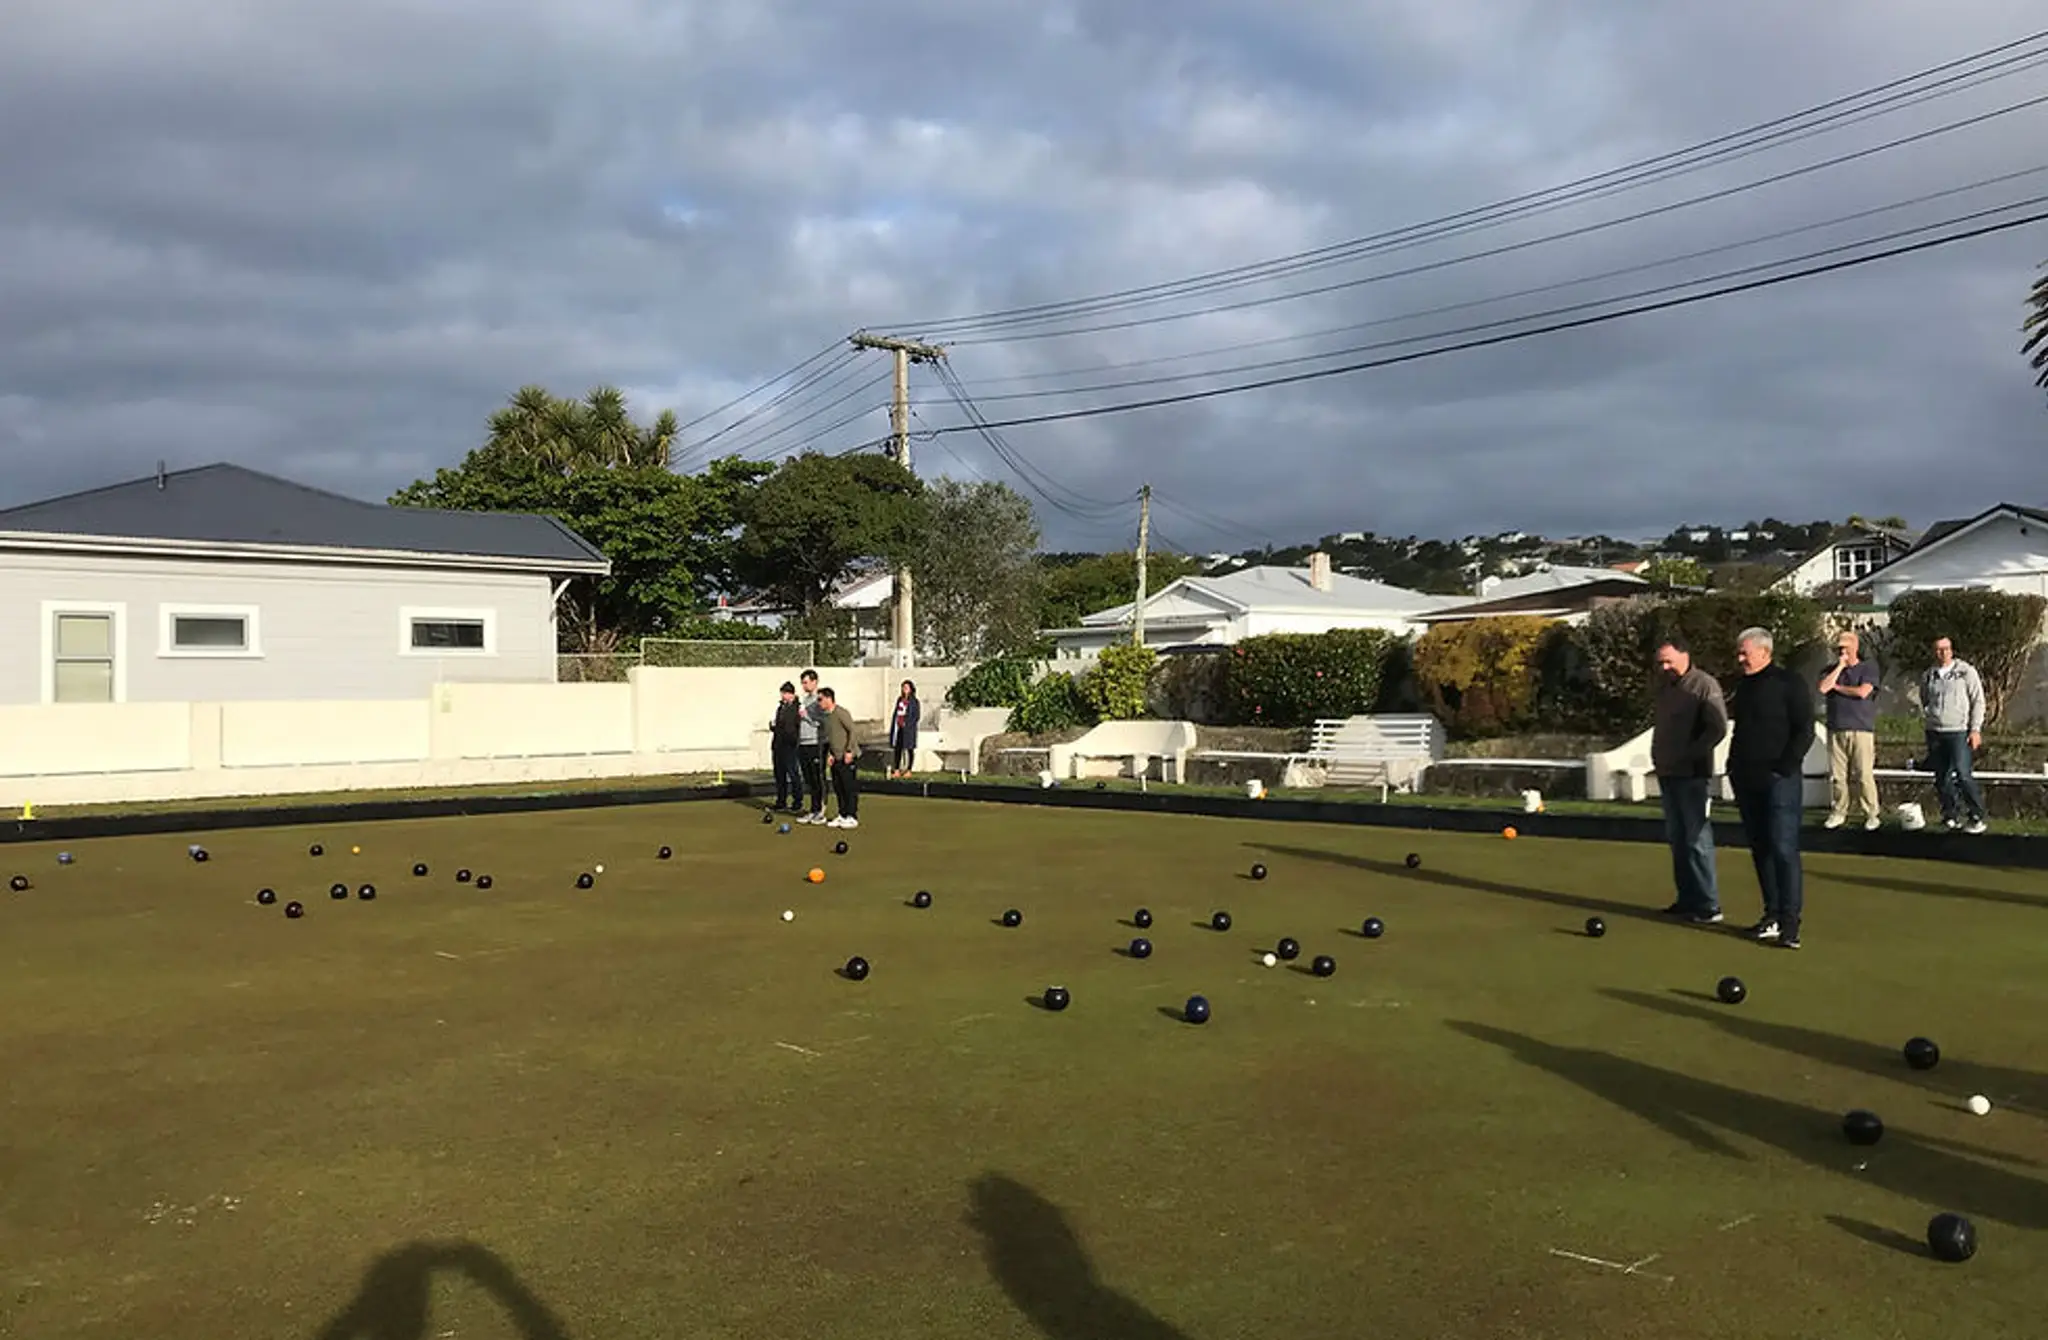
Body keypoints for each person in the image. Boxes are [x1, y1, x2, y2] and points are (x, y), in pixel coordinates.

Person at [1727, 627, 1815, 949]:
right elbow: (1742, 730)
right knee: (1761, 849)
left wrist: (1784, 767)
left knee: (1783, 848)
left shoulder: (1789, 683)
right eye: (1739, 653)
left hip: (1780, 780)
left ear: (1764, 652)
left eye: (1744, 653)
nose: (1740, 659)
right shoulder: (1745, 686)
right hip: (1747, 779)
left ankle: (1791, 924)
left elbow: (1804, 729)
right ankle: (1773, 915)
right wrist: (1732, 767)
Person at [1650, 637, 1728, 924]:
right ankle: (1687, 900)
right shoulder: (1666, 688)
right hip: (1668, 773)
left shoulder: (1704, 684)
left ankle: (1709, 904)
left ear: (1686, 655)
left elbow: (1717, 728)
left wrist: (1690, 755)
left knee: (1696, 839)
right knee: (1677, 839)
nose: (1665, 667)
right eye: (1661, 662)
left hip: (1693, 775)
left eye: (1669, 660)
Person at [1921, 636, 1988, 833]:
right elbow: (1925, 698)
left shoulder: (1966, 672)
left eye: (1946, 649)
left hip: (1959, 731)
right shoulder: (1928, 675)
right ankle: (1950, 815)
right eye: (1938, 649)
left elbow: (1978, 701)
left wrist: (1975, 729)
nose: (1942, 653)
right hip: (1935, 732)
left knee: (1963, 774)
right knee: (1941, 777)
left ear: (1952, 650)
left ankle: (1976, 816)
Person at [1818, 630, 1881, 831]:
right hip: (1836, 728)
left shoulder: (1868, 668)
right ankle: (1838, 812)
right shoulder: (1830, 670)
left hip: (1861, 729)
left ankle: (1871, 813)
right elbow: (1823, 688)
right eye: (1839, 647)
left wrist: (1839, 688)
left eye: (1846, 647)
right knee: (1838, 776)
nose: (1842, 650)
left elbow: (1863, 692)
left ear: (1855, 647)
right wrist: (1840, 667)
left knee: (1863, 774)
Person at [817, 685, 860, 829]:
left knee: (849, 787)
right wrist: (830, 754)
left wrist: (849, 751)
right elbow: (831, 737)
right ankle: (842, 815)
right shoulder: (827, 717)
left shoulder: (841, 712)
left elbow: (852, 731)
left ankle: (852, 816)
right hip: (835, 757)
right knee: (838, 787)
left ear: (829, 699)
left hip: (847, 756)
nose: (819, 702)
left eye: (820, 699)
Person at [795, 669, 828, 825]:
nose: (804, 685)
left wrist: (805, 716)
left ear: (815, 682)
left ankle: (820, 810)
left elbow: (820, 721)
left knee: (817, 778)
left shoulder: (819, 700)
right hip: (802, 742)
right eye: (802, 682)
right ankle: (813, 809)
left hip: (815, 743)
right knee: (808, 778)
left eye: (806, 682)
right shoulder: (805, 700)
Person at [769, 681, 805, 812]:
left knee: (793, 773)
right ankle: (781, 801)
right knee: (779, 775)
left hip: (790, 745)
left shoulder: (798, 708)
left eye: (785, 693)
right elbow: (778, 724)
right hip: (778, 744)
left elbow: (795, 726)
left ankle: (797, 801)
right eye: (782, 693)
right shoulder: (780, 708)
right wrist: (773, 726)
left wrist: (793, 738)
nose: (783, 696)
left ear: (791, 694)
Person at [888, 680, 921, 778]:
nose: (904, 689)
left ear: (911, 689)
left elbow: (916, 716)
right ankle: (897, 769)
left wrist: (908, 723)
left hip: (909, 729)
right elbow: (897, 712)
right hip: (899, 727)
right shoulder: (900, 699)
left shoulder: (914, 701)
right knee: (897, 748)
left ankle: (909, 770)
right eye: (903, 687)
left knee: (909, 749)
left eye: (906, 687)